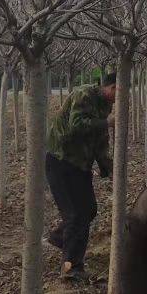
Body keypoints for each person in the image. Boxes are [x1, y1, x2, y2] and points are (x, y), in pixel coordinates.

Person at [45, 73, 116, 280]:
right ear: (112, 87)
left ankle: (61, 238)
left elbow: (100, 139)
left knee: (89, 210)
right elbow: (77, 124)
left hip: (80, 164)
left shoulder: (105, 105)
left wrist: (108, 167)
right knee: (76, 215)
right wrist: (106, 122)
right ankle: (71, 268)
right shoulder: (83, 93)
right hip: (61, 160)